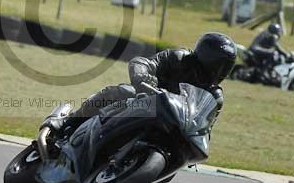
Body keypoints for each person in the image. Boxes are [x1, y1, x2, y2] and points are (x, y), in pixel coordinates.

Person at [41, 32, 237, 137]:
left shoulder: (215, 95)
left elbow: (206, 127)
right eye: (217, 64)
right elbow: (144, 62)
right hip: (145, 100)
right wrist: (143, 79)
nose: (219, 71)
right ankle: (69, 123)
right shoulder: (178, 58)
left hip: (172, 124)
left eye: (225, 66)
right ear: (205, 57)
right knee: (118, 92)